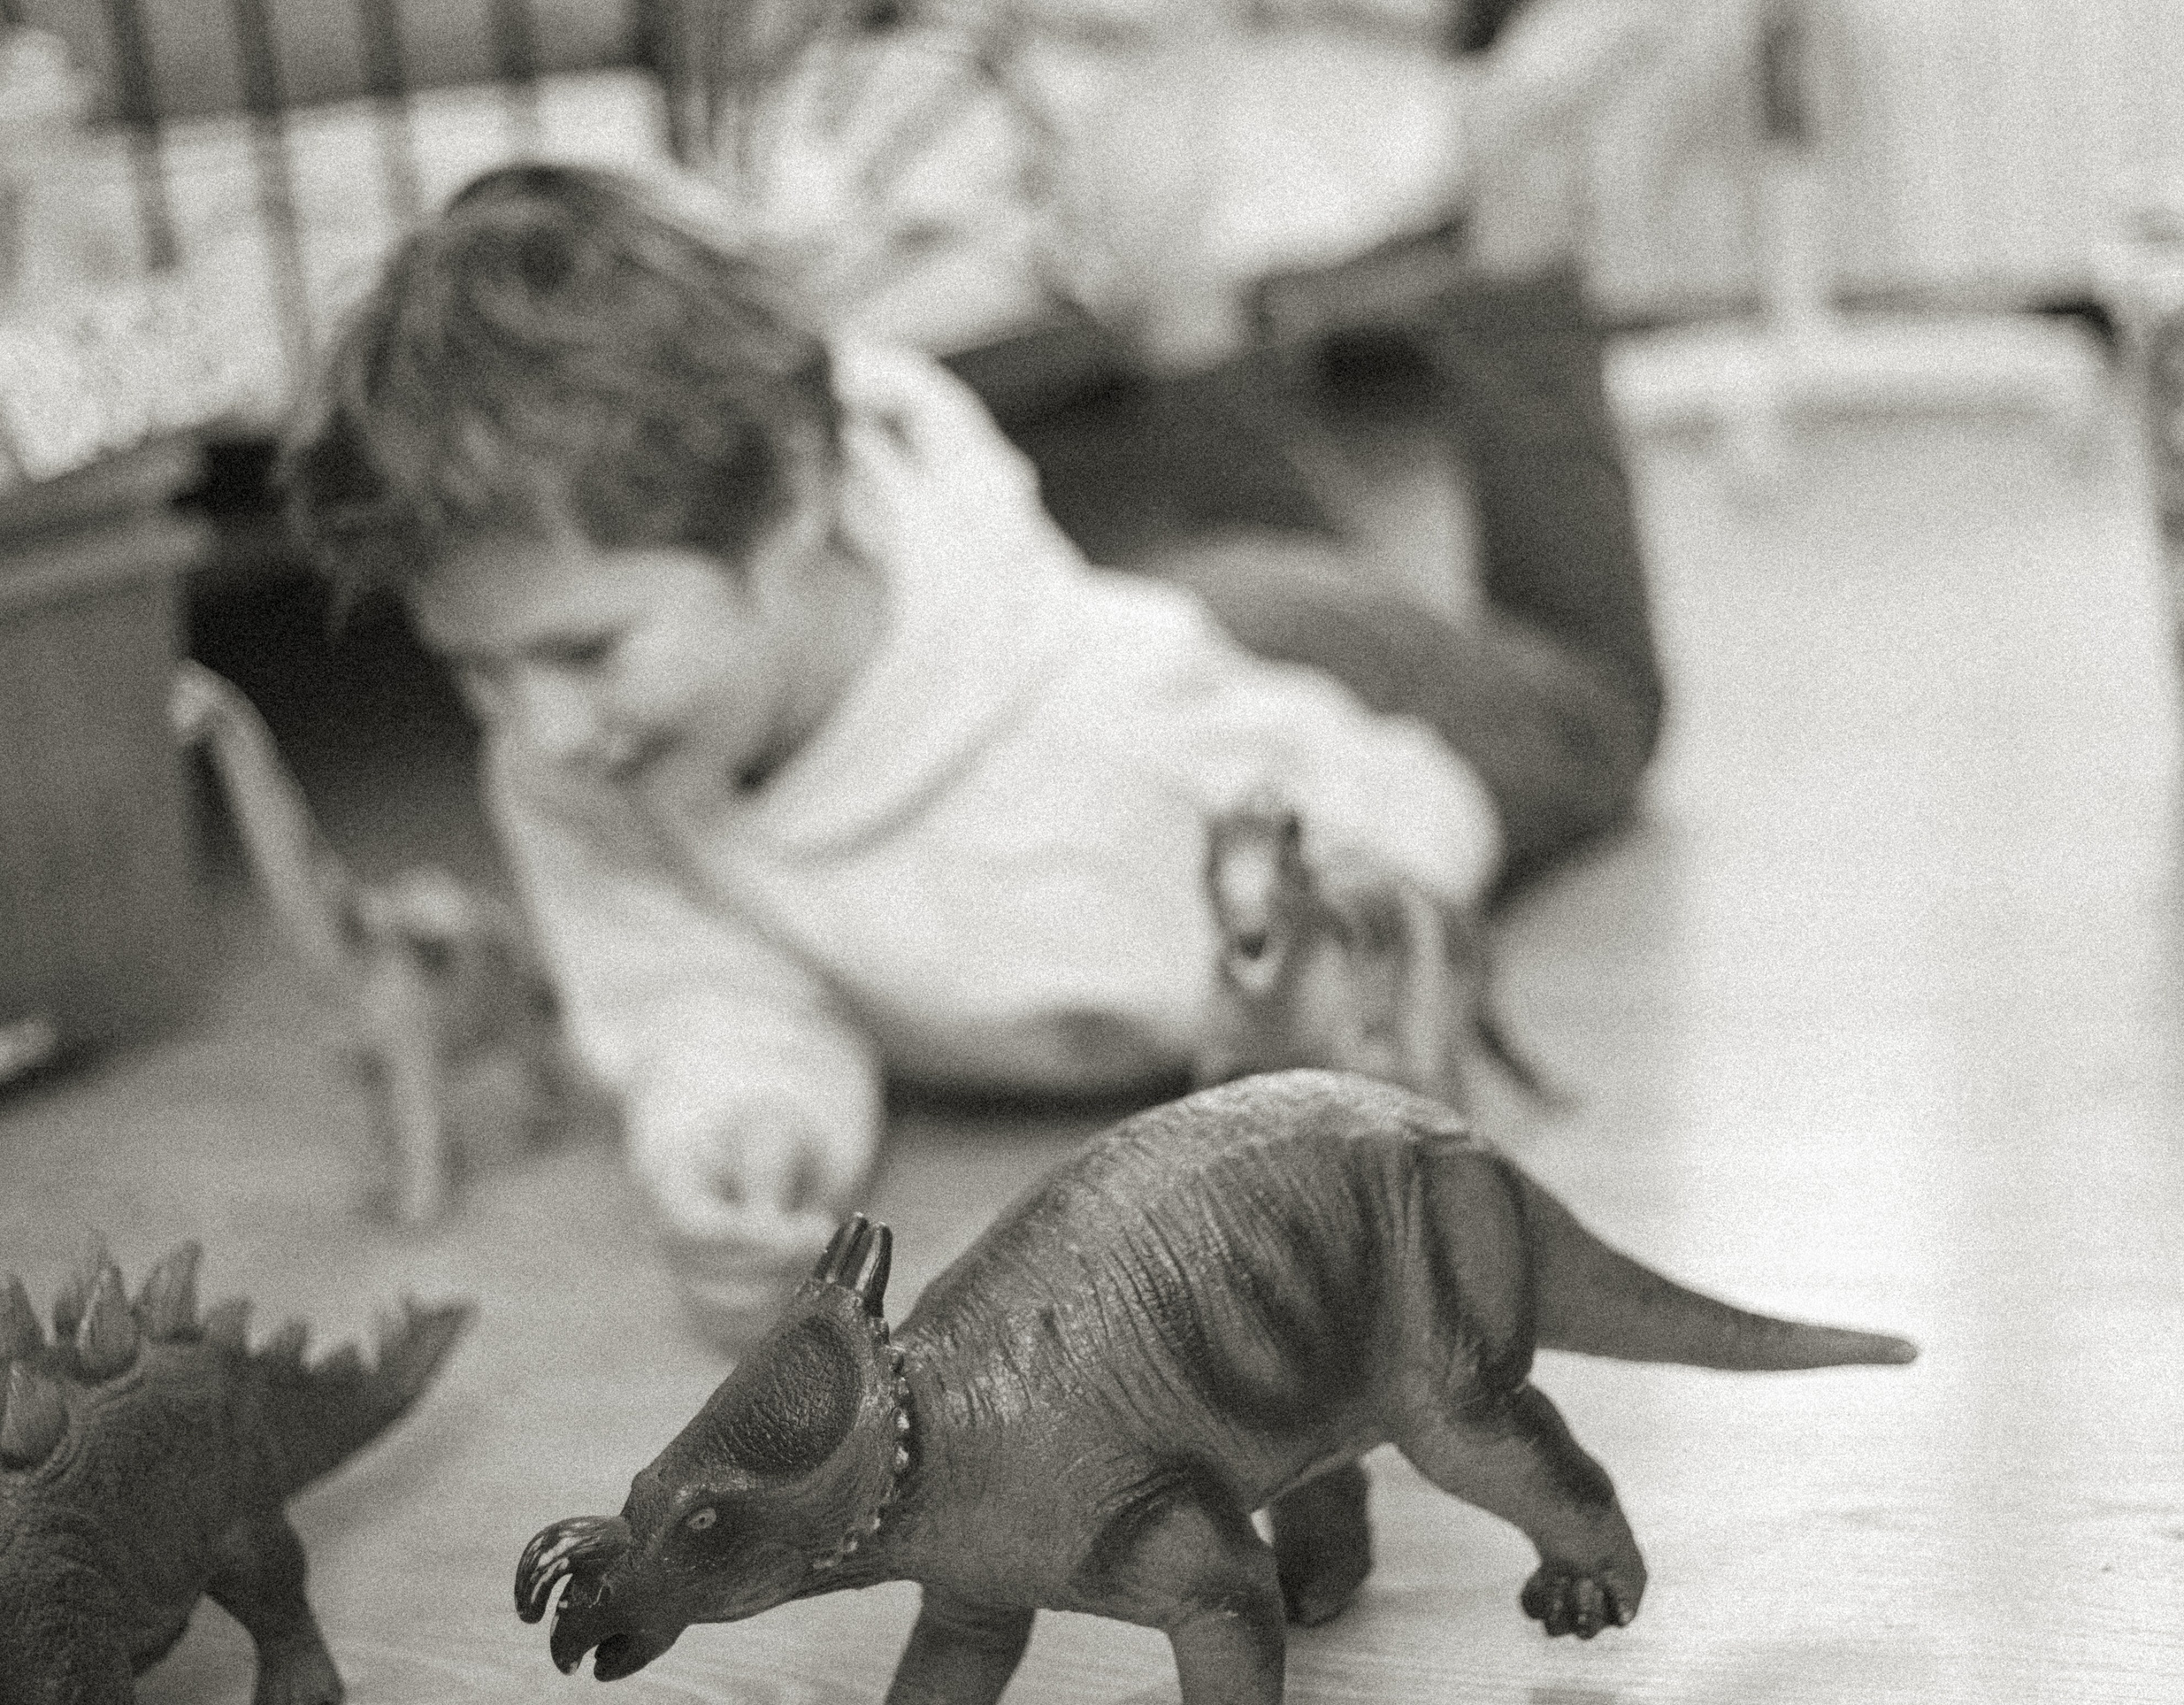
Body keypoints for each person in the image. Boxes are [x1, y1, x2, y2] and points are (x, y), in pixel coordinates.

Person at [282, 157, 1659, 1342]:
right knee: (1256, 568)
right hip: (1176, 614)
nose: (540, 734)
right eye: (474, 668)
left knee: (1599, 718)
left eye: (586, 653)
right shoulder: (582, 770)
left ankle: (1521, 253)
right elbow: (695, 983)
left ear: (795, 512)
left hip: (1317, 680)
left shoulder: (1144, 740)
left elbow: (1408, 832)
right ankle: (1199, 347)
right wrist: (743, 1120)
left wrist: (1377, 1005)